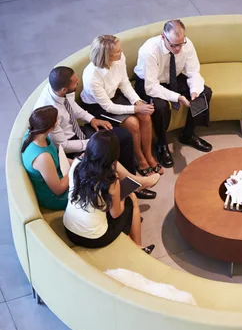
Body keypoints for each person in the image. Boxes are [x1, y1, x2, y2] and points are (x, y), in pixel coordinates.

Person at [34, 66, 158, 199]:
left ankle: (130, 185)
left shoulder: (60, 89)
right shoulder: (50, 110)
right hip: (70, 146)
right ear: (64, 89)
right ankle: (128, 188)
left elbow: (72, 106)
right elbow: (63, 145)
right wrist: (92, 143)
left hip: (79, 132)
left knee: (124, 137)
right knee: (103, 154)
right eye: (75, 82)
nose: (78, 82)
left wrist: (92, 119)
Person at [134, 19, 213, 168]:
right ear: (163, 36)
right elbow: (151, 87)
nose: (178, 49)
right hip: (149, 82)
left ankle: (188, 134)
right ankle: (161, 144)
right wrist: (177, 97)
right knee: (160, 106)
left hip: (173, 78)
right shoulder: (149, 51)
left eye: (180, 44)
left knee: (205, 93)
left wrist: (194, 91)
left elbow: (193, 72)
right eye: (173, 45)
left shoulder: (186, 44)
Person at [81, 35, 163, 176]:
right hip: (97, 106)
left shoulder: (119, 58)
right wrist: (135, 109)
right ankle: (140, 159)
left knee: (145, 116)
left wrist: (137, 101)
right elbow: (108, 107)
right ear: (106, 56)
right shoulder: (92, 77)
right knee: (132, 123)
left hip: (115, 94)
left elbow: (124, 82)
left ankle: (149, 155)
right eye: (117, 51)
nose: (122, 52)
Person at [64, 130, 154, 253]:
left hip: (70, 230)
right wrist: (122, 197)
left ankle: (135, 244)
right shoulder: (110, 179)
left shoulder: (76, 164)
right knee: (130, 200)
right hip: (94, 238)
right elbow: (116, 214)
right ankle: (139, 247)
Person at [21, 106, 69, 210]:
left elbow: (56, 158)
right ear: (51, 128)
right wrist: (75, 167)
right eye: (57, 119)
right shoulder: (42, 158)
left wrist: (78, 161)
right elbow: (59, 189)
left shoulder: (34, 133)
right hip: (55, 197)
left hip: (59, 175)